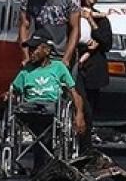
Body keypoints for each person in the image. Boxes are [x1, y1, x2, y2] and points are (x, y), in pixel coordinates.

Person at [8, 34, 87, 172]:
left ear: (47, 50)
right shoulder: (26, 71)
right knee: (31, 119)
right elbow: (14, 90)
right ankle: (38, 164)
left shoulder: (58, 67)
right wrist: (8, 95)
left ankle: (44, 164)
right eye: (30, 49)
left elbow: (74, 92)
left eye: (35, 49)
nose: (31, 53)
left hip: (52, 107)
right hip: (30, 107)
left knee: (48, 126)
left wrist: (79, 114)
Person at [18, 0, 80, 69]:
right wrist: (26, 56)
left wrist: (66, 58)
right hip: (39, 53)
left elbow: (75, 28)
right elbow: (24, 26)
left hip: (62, 54)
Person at [75, 0, 114, 150]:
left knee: (89, 110)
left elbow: (106, 42)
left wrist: (91, 19)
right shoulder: (73, 14)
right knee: (80, 105)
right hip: (76, 64)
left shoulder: (101, 19)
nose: (90, 1)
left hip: (93, 68)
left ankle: (85, 148)